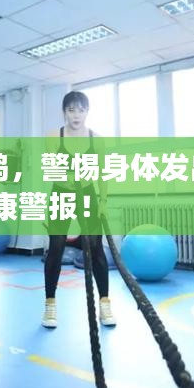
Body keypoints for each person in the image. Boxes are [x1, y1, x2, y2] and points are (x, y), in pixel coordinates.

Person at [42, 91, 116, 329]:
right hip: (61, 193)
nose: (76, 115)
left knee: (96, 248)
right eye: (71, 110)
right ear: (64, 112)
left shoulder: (97, 139)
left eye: (81, 110)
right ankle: (50, 305)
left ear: (87, 112)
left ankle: (105, 304)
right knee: (55, 248)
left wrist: (102, 201)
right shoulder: (53, 137)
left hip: (87, 194)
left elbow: (102, 173)